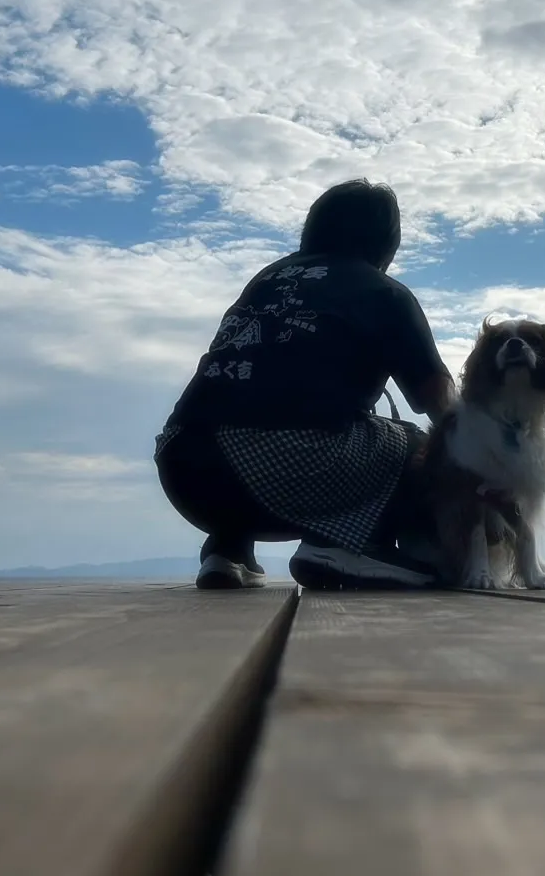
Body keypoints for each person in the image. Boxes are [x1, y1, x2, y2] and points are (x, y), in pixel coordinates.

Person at [155, 179, 455, 590]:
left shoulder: (270, 278)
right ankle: (350, 546)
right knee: (418, 445)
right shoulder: (385, 293)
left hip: (182, 465)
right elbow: (441, 404)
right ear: (387, 242)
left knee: (259, 410)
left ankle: (228, 550)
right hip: (281, 468)